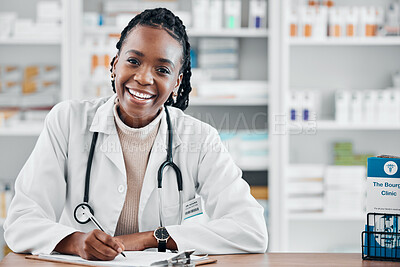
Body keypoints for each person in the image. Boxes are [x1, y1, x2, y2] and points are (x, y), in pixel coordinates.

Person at [4, 8, 267, 261]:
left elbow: (251, 230)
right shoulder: (68, 121)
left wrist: (150, 239)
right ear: (115, 64)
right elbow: (21, 222)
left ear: (177, 82)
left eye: (162, 70)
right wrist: (76, 242)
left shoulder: (199, 139)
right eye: (133, 61)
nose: (143, 78)